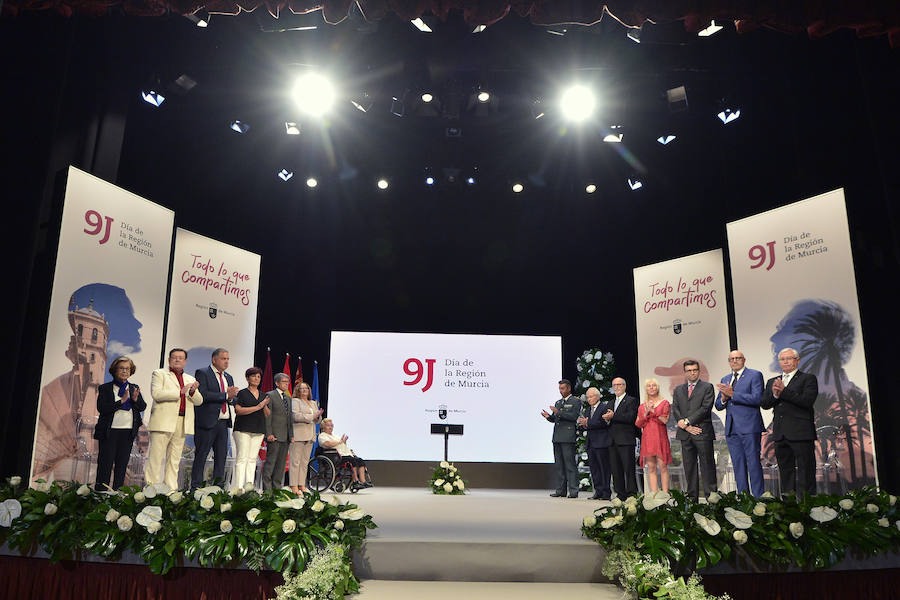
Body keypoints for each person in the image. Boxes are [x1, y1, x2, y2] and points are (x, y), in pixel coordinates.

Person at [760, 348, 819, 496]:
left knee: (806, 473)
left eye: (789, 358)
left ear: (797, 360)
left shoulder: (808, 378)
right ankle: (789, 508)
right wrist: (774, 394)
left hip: (801, 433)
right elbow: (765, 403)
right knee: (786, 474)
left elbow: (807, 401)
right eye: (782, 359)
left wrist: (784, 391)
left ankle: (808, 508)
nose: (785, 361)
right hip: (780, 434)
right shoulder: (772, 381)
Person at [147, 348, 202, 490]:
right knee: (156, 459)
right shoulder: (160, 374)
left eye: (180, 358)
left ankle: (171, 491)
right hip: (162, 422)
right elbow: (157, 394)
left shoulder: (190, 379)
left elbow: (199, 401)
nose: (177, 360)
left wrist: (192, 391)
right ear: (169, 360)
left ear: (185, 361)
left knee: (174, 460)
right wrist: (180, 392)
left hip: (182, 422)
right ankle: (151, 490)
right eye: (174, 357)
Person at [715, 350, 766, 497]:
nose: (735, 361)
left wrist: (733, 395)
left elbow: (757, 399)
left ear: (744, 360)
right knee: (738, 466)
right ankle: (744, 498)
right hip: (732, 428)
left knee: (753, 464)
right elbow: (718, 405)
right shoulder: (726, 378)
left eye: (738, 358)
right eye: (731, 359)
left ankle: (758, 498)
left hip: (749, 426)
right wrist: (724, 398)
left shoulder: (754, 375)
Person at [93, 356, 146, 490]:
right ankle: (100, 494)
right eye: (121, 368)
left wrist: (134, 399)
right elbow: (102, 408)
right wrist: (121, 402)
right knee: (105, 465)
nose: (124, 371)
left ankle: (117, 494)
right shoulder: (105, 388)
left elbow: (142, 407)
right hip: (109, 432)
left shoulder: (134, 387)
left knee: (122, 466)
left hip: (127, 432)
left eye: (127, 369)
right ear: (115, 370)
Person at [191, 348, 240, 489]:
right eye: (223, 359)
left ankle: (217, 488)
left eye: (228, 359)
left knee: (221, 458)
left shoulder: (228, 377)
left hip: (223, 423)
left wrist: (233, 399)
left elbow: (231, 398)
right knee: (201, 456)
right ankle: (196, 488)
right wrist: (225, 396)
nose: (226, 362)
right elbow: (204, 394)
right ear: (214, 359)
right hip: (207, 422)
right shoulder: (203, 373)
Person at [672, 359, 717, 501]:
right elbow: (676, 408)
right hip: (686, 434)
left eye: (695, 370)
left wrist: (687, 421)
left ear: (699, 371)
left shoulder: (707, 387)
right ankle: (692, 500)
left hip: (702, 432)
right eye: (689, 370)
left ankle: (712, 499)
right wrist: (685, 426)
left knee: (707, 467)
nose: (692, 373)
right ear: (684, 373)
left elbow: (705, 408)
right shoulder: (678, 389)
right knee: (689, 468)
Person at [542, 379, 581, 498]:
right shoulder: (558, 402)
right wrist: (549, 417)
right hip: (557, 436)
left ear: (568, 388)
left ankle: (573, 491)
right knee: (559, 465)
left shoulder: (575, 401)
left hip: (568, 437)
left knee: (569, 465)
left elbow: (573, 416)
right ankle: (561, 490)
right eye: (559, 388)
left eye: (563, 388)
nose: (561, 391)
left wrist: (558, 412)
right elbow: (556, 418)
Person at [232, 367, 269, 490]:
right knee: (242, 458)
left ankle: (249, 488)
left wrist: (264, 406)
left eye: (258, 377)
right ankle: (238, 488)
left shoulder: (263, 395)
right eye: (254, 376)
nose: (256, 379)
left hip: (258, 429)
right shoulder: (242, 393)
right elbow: (238, 410)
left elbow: (267, 414)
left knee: (252, 460)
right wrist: (258, 406)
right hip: (243, 429)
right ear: (247, 378)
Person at [602, 377, 639, 498]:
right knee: (616, 469)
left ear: (624, 386)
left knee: (628, 469)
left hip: (626, 439)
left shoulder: (631, 400)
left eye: (619, 385)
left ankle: (632, 494)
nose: (617, 387)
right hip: (612, 440)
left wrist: (614, 416)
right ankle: (620, 494)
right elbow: (608, 420)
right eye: (614, 385)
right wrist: (607, 420)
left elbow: (630, 417)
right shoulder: (610, 403)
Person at [635, 378, 672, 493]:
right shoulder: (642, 406)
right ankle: (654, 494)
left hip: (660, 438)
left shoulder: (664, 403)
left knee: (663, 467)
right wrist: (645, 413)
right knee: (651, 467)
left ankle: (665, 494)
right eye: (649, 386)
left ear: (657, 388)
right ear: (646, 389)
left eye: (653, 385)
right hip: (648, 439)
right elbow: (638, 424)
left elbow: (665, 420)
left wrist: (653, 411)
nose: (651, 387)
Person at [576, 387, 612, 500]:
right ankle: (598, 491)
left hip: (602, 443)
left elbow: (603, 423)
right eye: (587, 397)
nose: (589, 399)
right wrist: (583, 424)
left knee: (604, 468)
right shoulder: (587, 410)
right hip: (591, 443)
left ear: (597, 396)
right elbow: (588, 424)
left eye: (591, 396)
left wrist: (588, 422)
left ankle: (606, 493)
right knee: (594, 469)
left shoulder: (604, 407)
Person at [289, 381, 323, 494]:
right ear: (298, 391)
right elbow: (296, 416)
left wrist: (318, 417)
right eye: (301, 389)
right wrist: (312, 416)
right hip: (298, 435)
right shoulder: (295, 401)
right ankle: (293, 485)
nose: (304, 391)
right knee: (295, 462)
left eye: (306, 389)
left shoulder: (312, 403)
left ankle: (301, 484)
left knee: (304, 462)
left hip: (310, 435)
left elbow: (318, 419)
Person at [261, 373, 293, 491]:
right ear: (277, 383)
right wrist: (268, 433)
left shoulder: (288, 398)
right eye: (284, 381)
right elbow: (267, 417)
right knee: (270, 464)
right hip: (274, 436)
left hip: (285, 437)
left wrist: (291, 435)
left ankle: (277, 490)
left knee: (281, 466)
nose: (286, 384)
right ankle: (267, 492)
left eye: (287, 382)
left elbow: (290, 418)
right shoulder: (270, 395)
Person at [318, 418, 370, 488]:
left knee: (360, 460)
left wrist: (344, 443)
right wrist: (340, 442)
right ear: (323, 427)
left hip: (344, 454)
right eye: (328, 426)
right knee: (351, 460)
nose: (330, 427)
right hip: (334, 457)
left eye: (331, 426)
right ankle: (356, 482)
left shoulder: (335, 436)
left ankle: (363, 481)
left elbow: (341, 445)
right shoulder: (322, 436)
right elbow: (328, 444)